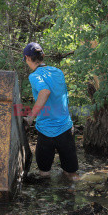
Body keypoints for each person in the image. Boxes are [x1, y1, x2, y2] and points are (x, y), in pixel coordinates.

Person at [23, 42, 79, 181]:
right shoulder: (58, 72)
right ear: (43, 56)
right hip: (65, 129)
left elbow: (45, 91)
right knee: (71, 174)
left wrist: (30, 118)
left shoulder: (34, 76)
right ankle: (70, 199)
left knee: (44, 175)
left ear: (27, 58)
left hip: (46, 132)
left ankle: (46, 201)